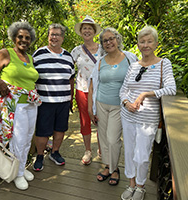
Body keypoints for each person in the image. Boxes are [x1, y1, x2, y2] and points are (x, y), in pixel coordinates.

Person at [120, 26, 176, 200]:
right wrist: (126, 102)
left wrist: (146, 94)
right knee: (129, 152)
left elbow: (171, 88)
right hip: (128, 115)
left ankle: (140, 186)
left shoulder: (163, 64)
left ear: (156, 44)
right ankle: (131, 185)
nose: (145, 45)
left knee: (142, 156)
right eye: (142, 41)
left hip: (147, 119)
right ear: (138, 44)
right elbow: (123, 90)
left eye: (149, 41)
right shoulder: (134, 65)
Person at [0, 21, 41, 190]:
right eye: (20, 37)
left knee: (27, 139)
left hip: (31, 104)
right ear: (14, 38)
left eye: (27, 38)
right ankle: (17, 175)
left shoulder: (30, 58)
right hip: (15, 105)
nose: (24, 40)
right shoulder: (5, 53)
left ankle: (21, 168)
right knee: (18, 140)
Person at [88, 27, 138, 185]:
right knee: (103, 138)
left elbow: (139, 81)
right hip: (101, 104)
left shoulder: (130, 58)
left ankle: (115, 169)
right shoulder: (100, 61)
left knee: (112, 138)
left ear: (117, 39)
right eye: (105, 41)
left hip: (120, 105)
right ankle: (107, 166)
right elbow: (92, 84)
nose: (108, 42)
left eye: (111, 39)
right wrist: (90, 109)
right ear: (102, 44)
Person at [32, 23, 75, 171]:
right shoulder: (38, 54)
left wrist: (71, 98)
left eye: (57, 34)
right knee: (43, 131)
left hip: (63, 101)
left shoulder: (69, 56)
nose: (54, 37)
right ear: (48, 36)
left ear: (62, 38)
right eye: (52, 34)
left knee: (60, 129)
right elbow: (31, 76)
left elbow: (71, 79)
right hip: (44, 101)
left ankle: (55, 152)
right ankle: (39, 156)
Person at [71, 15, 102, 165]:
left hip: (100, 90)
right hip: (82, 89)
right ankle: (88, 150)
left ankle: (102, 149)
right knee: (85, 119)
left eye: (90, 28)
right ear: (81, 31)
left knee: (102, 118)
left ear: (94, 31)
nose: (87, 31)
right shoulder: (76, 51)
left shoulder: (103, 48)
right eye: (85, 28)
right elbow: (68, 70)